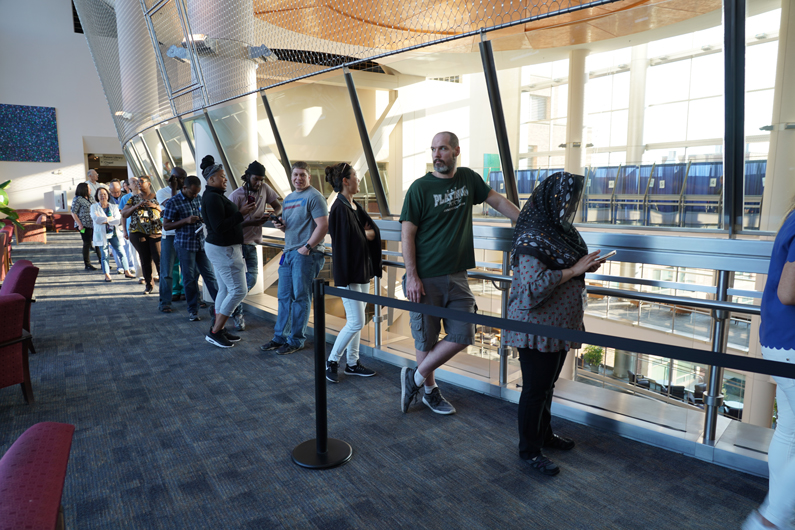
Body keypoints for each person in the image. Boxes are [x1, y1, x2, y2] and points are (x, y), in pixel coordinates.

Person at [399, 131, 521, 415]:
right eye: (432, 149)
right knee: (425, 339)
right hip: (425, 276)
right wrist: (412, 275)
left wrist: (526, 221)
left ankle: (414, 379)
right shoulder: (420, 188)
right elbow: (407, 233)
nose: (436, 155)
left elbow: (498, 201)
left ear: (456, 151)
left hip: (457, 275)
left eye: (442, 149)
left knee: (464, 332)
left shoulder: (468, 179)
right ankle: (429, 391)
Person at [504, 172, 601, 476]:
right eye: (567, 198)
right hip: (537, 326)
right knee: (535, 389)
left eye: (573, 199)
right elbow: (530, 288)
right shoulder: (532, 235)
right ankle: (530, 450)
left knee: (547, 387)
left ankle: (543, 436)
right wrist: (574, 271)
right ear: (551, 198)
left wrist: (582, 267)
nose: (570, 205)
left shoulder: (559, 230)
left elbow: (566, 266)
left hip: (559, 325)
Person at [743, 200, 795, 530]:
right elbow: (789, 291)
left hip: (780, 341)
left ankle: (780, 516)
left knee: (789, 432)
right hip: (793, 342)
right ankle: (771, 520)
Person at [259, 161, 328, 356]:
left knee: (300, 297)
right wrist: (281, 225)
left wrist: (306, 248)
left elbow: (323, 226)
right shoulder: (288, 199)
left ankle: (296, 340)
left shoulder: (315, 197)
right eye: (295, 175)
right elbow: (290, 224)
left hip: (305, 255)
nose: (298, 178)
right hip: (288, 252)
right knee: (283, 297)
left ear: (309, 177)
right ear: (291, 177)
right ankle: (280, 337)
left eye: (302, 175)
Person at [323, 163, 380, 383]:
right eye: (355, 176)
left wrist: (366, 235)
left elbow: (371, 231)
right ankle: (332, 361)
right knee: (356, 321)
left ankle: (353, 363)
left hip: (361, 271)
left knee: (359, 319)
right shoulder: (339, 208)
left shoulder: (353, 205)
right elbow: (348, 240)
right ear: (345, 181)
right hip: (349, 273)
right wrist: (365, 235)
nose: (359, 180)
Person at [200, 155, 262, 348]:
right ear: (211, 180)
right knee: (238, 290)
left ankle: (220, 328)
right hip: (224, 249)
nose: (225, 179)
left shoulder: (214, 196)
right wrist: (240, 213)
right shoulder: (211, 198)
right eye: (221, 176)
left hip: (222, 248)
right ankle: (215, 331)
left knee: (226, 289)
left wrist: (240, 214)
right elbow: (219, 226)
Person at [228, 161, 282, 331]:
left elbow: (278, 206)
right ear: (247, 177)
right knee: (238, 282)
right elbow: (229, 225)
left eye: (261, 179)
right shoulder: (236, 196)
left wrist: (274, 216)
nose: (258, 183)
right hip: (236, 243)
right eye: (255, 179)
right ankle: (235, 312)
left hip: (252, 243)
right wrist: (250, 221)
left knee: (251, 278)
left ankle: (228, 305)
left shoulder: (265, 189)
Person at [162, 175, 220, 323]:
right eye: (192, 193)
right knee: (189, 278)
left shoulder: (199, 198)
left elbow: (203, 214)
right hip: (184, 244)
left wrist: (202, 219)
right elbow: (166, 225)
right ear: (184, 188)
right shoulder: (173, 202)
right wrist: (186, 221)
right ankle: (193, 310)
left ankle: (221, 307)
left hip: (200, 242)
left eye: (197, 193)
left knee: (209, 276)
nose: (194, 195)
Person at [121, 175, 162, 294]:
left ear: (149, 184)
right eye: (137, 182)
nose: (139, 184)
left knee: (158, 259)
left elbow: (165, 211)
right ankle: (149, 285)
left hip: (155, 233)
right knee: (145, 259)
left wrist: (155, 206)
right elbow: (124, 214)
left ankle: (164, 287)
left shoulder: (157, 197)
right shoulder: (133, 199)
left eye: (141, 182)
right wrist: (136, 207)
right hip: (138, 233)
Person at [157, 167, 187, 313]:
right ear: (172, 178)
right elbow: (173, 207)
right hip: (169, 235)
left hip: (185, 234)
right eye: (179, 178)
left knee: (188, 269)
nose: (182, 181)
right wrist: (174, 189)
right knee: (167, 270)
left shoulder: (187, 191)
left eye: (184, 177)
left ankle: (187, 295)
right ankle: (165, 302)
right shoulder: (162, 192)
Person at [90, 187, 135, 282]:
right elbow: (96, 219)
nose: (103, 196)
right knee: (104, 255)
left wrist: (104, 220)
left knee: (122, 253)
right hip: (102, 235)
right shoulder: (94, 207)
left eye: (104, 194)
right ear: (97, 196)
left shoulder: (114, 206)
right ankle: (107, 274)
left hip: (114, 234)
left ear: (108, 195)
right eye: (100, 194)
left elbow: (117, 220)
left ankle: (127, 271)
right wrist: (110, 218)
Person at [70, 182, 101, 270]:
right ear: (84, 189)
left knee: (97, 243)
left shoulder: (91, 198)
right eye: (89, 188)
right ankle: (87, 264)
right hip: (84, 225)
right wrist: (80, 224)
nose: (90, 190)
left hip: (93, 224)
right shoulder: (77, 199)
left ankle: (102, 261)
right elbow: (73, 212)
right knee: (87, 243)